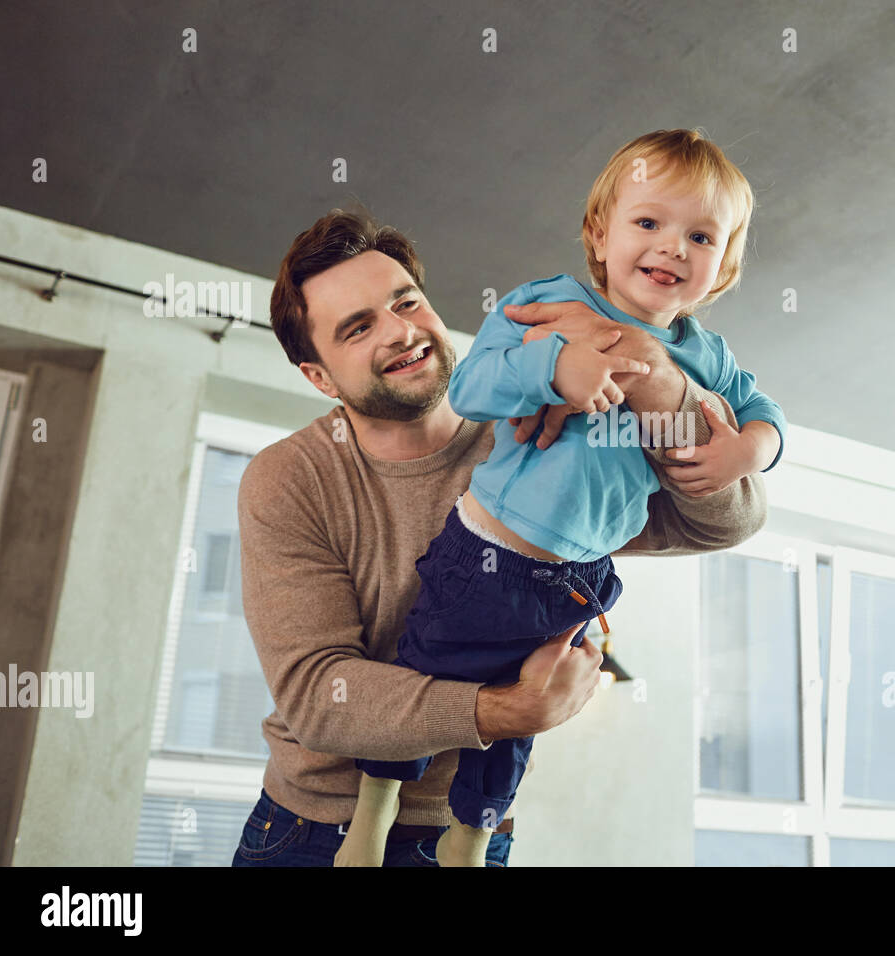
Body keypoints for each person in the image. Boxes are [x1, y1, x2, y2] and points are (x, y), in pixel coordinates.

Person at [230, 199, 769, 867]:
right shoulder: (290, 479)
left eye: (406, 303)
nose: (401, 332)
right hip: (315, 833)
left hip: (477, 835)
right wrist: (507, 712)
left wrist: (652, 370)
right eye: (359, 327)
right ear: (318, 376)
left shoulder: (546, 426)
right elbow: (320, 697)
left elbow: (727, 517)